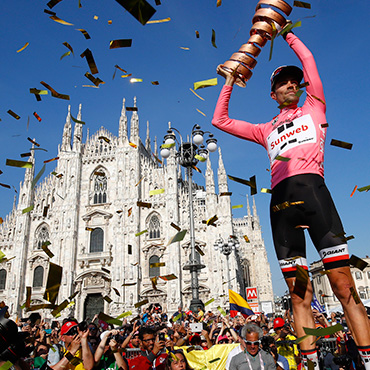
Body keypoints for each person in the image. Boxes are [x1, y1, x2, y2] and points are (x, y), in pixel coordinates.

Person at [212, 27, 370, 370]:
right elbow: (219, 120)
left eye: (294, 81)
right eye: (283, 82)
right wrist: (230, 79)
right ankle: (310, 365)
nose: (290, 85)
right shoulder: (265, 129)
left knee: (345, 291)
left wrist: (284, 34)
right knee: (300, 297)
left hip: (316, 201)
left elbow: (309, 61)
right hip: (281, 207)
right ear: (272, 93)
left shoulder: (315, 108)